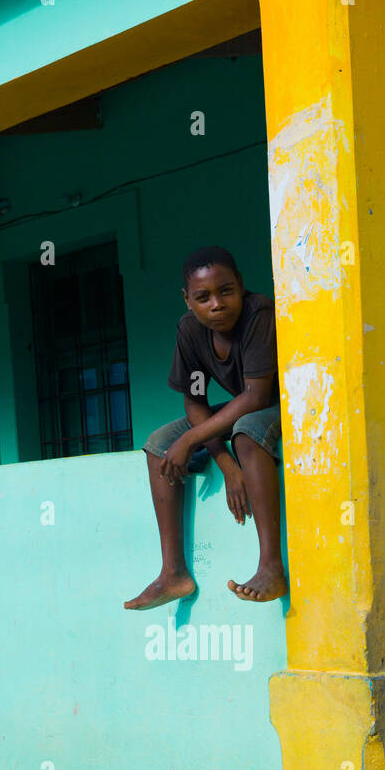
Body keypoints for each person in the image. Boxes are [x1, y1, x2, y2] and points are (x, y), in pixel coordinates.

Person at [124, 246, 288, 609]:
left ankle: (271, 567)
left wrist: (193, 439)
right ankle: (174, 574)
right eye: (203, 297)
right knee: (159, 443)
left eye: (226, 291)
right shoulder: (191, 331)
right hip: (240, 408)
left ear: (241, 286)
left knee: (245, 429)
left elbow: (257, 395)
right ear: (188, 300)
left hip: (284, 405)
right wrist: (226, 464)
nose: (217, 304)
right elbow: (196, 401)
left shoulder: (259, 313)